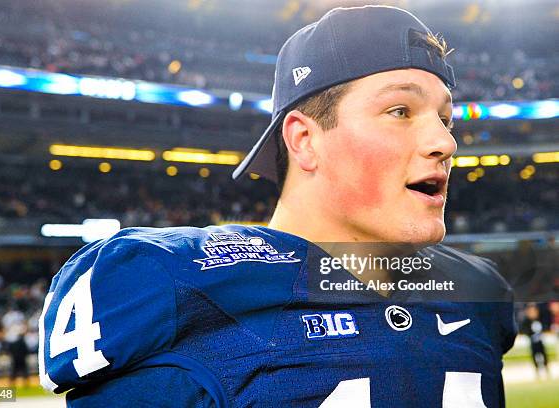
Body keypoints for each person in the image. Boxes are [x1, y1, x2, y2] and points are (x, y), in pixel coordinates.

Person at [38, 6, 517, 407]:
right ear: (305, 140)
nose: (445, 141)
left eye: (445, 118)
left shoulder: (475, 293)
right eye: (400, 111)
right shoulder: (178, 287)